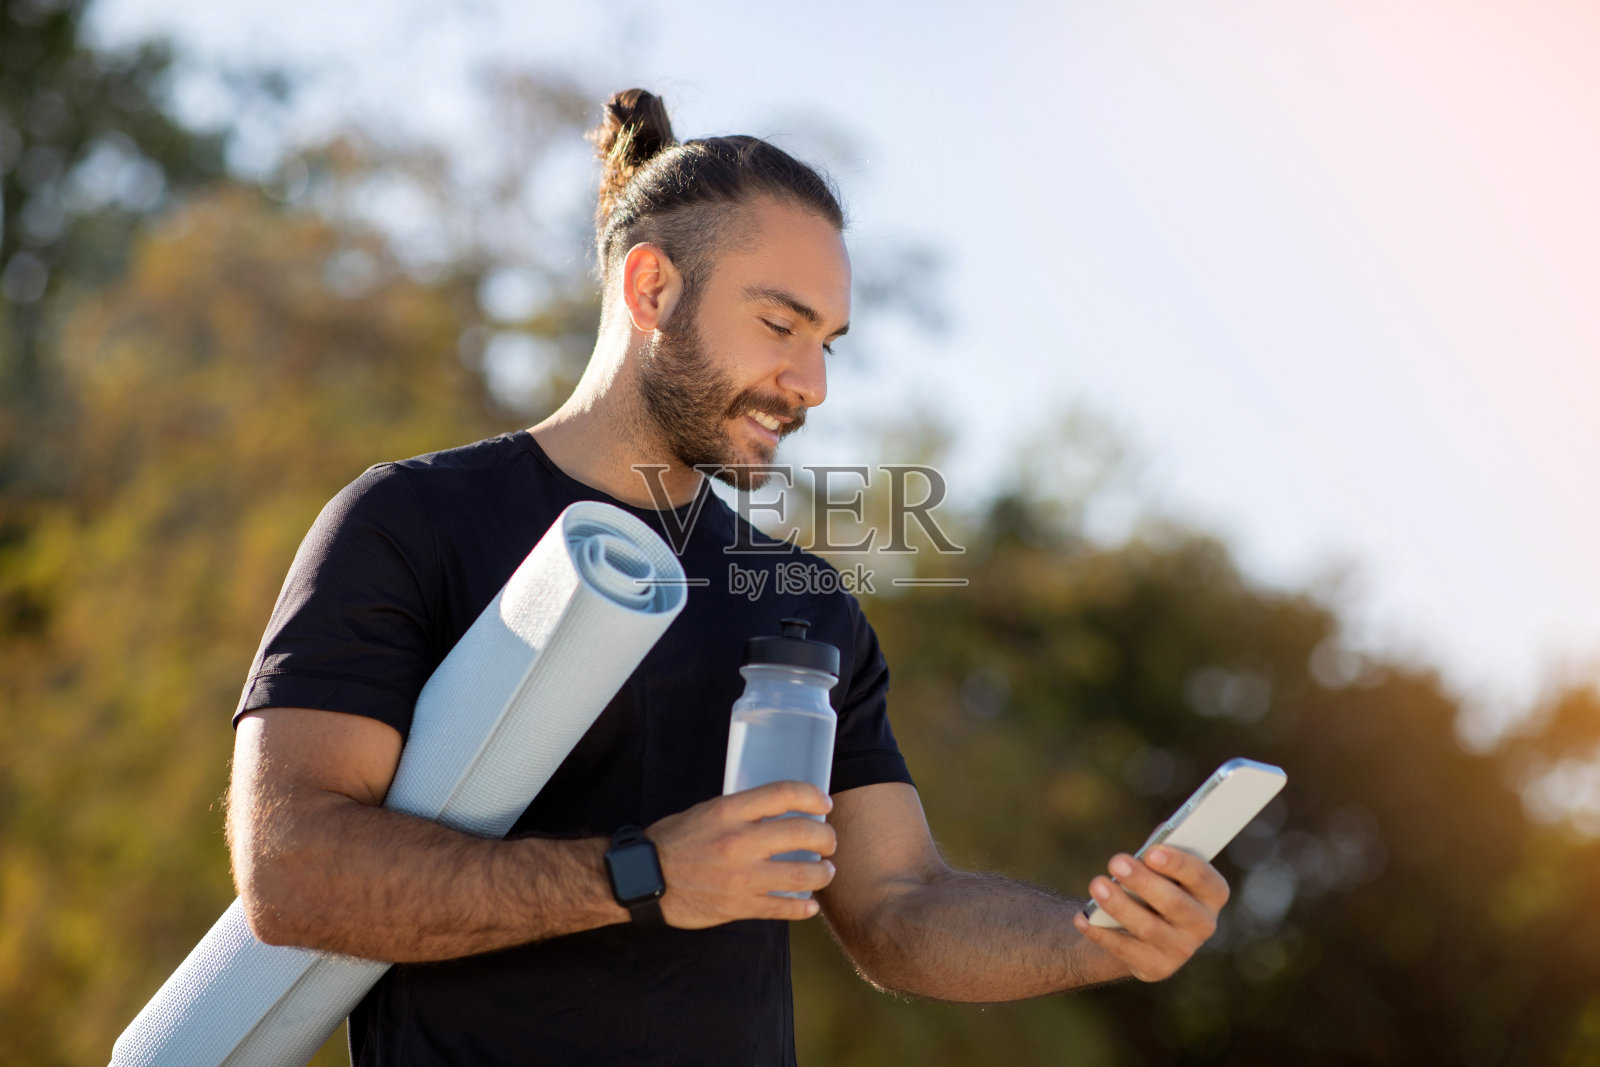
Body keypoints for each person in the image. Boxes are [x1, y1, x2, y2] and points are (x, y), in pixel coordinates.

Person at [227, 88, 1231, 1066]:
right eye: (781, 323)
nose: (813, 383)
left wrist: (1090, 934)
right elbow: (292, 872)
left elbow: (897, 907)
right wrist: (645, 869)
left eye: (827, 343)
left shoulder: (799, 599)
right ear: (651, 288)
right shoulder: (413, 524)